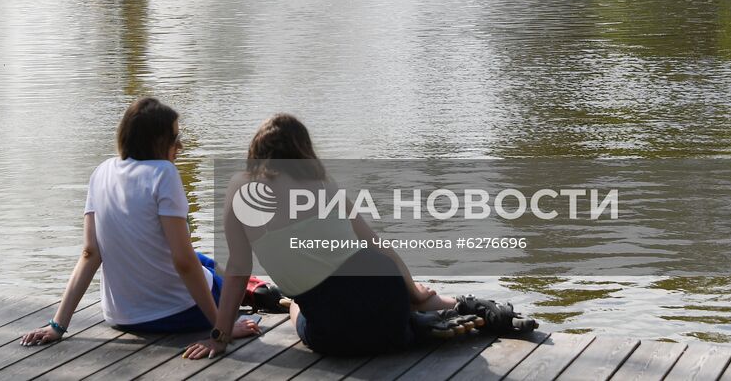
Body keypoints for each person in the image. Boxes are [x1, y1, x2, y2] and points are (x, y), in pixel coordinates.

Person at [183, 115, 532, 360]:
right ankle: (460, 306)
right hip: (385, 292)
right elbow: (379, 247)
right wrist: (414, 292)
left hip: (338, 335)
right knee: (382, 283)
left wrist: (219, 336)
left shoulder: (239, 189)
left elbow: (239, 270)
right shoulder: (324, 185)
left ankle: (415, 323)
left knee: (302, 302)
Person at [20, 98, 262, 347]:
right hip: (179, 313)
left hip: (120, 316)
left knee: (200, 258)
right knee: (219, 273)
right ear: (157, 141)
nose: (180, 145)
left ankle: (247, 285)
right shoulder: (164, 173)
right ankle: (254, 289)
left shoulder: (101, 172)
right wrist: (222, 329)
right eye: (175, 138)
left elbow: (90, 253)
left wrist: (57, 325)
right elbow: (183, 262)